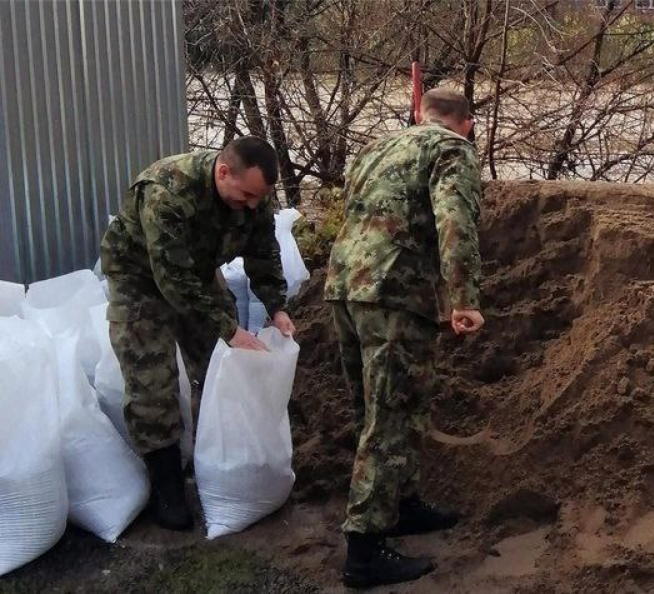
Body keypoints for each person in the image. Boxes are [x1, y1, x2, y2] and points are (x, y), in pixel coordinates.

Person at [325, 88, 485, 588]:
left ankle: (402, 505)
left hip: (345, 289)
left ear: (421, 113)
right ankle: (365, 551)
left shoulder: (377, 146)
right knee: (390, 417)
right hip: (394, 293)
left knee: (379, 411)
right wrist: (463, 298)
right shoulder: (451, 149)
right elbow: (456, 220)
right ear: (468, 123)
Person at [100, 136, 296, 531]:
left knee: (221, 366)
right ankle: (167, 484)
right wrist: (229, 328)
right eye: (244, 196)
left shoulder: (253, 194)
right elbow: (171, 278)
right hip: (140, 278)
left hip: (199, 273)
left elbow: (263, 250)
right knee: (151, 380)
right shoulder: (167, 192)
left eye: (259, 198)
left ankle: (219, 454)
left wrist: (276, 306)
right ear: (223, 172)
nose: (252, 206)